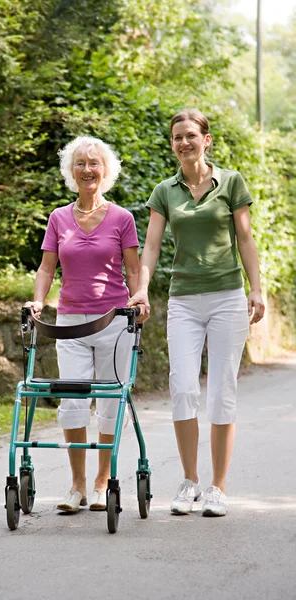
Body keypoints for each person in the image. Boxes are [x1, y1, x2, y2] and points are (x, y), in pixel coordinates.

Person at [128, 108, 265, 517]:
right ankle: (189, 482)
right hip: (184, 299)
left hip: (226, 296)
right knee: (183, 387)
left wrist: (256, 289)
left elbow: (245, 238)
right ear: (172, 144)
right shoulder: (164, 191)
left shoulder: (231, 182)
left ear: (206, 139)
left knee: (222, 389)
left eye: (190, 135)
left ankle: (217, 488)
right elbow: (150, 247)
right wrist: (141, 290)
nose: (183, 142)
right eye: (177, 137)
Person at [25, 135, 139, 513]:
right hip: (70, 323)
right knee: (72, 403)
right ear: (70, 172)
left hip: (114, 322)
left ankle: (103, 479)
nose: (87, 169)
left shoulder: (122, 218)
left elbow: (134, 269)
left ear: (105, 171)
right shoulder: (58, 217)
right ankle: (77, 485)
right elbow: (46, 267)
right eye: (80, 163)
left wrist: (140, 300)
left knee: (109, 403)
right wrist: (39, 300)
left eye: (94, 163)